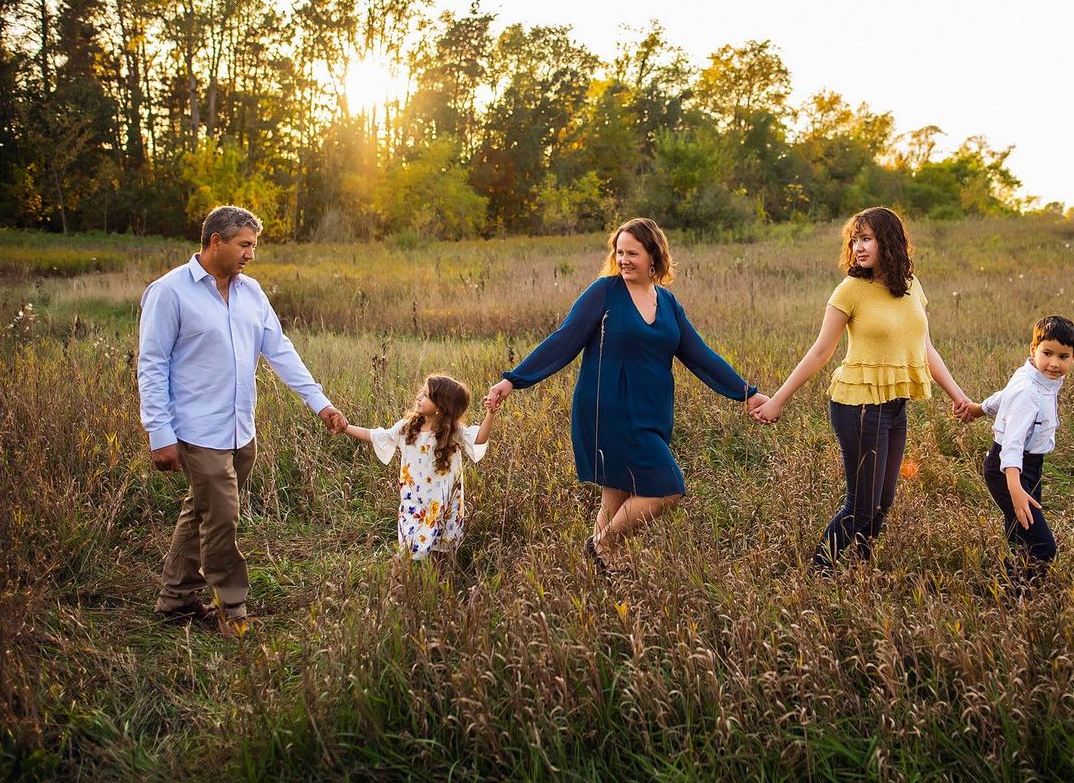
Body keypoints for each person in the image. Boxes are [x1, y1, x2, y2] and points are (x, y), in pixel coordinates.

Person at [485, 217, 767, 571]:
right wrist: (514, 379)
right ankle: (602, 545)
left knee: (617, 490)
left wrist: (746, 393)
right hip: (608, 409)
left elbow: (701, 357)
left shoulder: (667, 303)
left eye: (632, 253)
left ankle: (600, 568)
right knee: (668, 487)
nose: (624, 260)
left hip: (651, 413)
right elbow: (563, 341)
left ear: (654, 255)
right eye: (619, 252)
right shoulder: (604, 293)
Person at [138, 205, 347, 635]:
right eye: (244, 245)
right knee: (222, 519)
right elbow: (152, 365)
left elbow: (280, 351)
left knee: (201, 512)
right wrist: (160, 435)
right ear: (216, 241)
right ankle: (232, 609)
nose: (251, 254)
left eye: (253, 245)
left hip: (241, 431)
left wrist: (320, 403)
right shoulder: (170, 292)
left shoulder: (251, 293)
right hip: (198, 431)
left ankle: (175, 599)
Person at [752, 207, 969, 570]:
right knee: (862, 504)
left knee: (884, 500)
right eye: (854, 240)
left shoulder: (912, 287)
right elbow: (821, 351)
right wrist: (778, 400)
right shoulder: (850, 290)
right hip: (858, 406)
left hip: (895, 405)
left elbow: (926, 348)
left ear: (889, 241)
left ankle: (860, 567)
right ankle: (819, 572)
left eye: (866, 238)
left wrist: (958, 395)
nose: (858, 247)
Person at [959, 314, 1074, 585]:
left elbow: (1004, 395)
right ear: (1032, 349)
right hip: (1009, 469)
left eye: (1063, 356)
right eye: (1047, 353)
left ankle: (1009, 582)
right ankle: (1021, 597)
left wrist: (979, 409)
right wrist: (1015, 487)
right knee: (1043, 547)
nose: (1054, 363)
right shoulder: (1028, 391)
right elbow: (1012, 444)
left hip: (1029, 466)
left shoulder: (1034, 377)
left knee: (1019, 529)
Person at [341, 374, 495, 560]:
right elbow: (373, 435)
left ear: (440, 407)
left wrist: (490, 413)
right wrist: (345, 427)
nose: (418, 397)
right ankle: (396, 588)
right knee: (407, 552)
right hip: (414, 504)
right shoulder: (407, 428)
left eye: (426, 395)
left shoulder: (453, 432)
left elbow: (479, 438)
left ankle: (437, 586)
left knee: (442, 551)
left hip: (443, 503)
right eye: (421, 393)